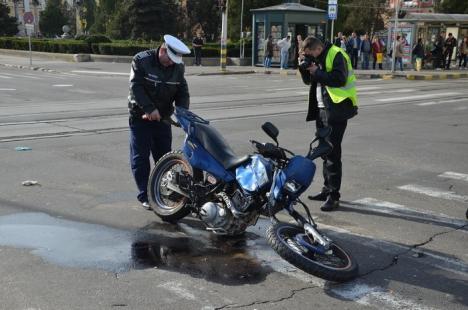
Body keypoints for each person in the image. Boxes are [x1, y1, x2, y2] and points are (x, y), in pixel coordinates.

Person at [128, 35, 191, 210]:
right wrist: (149, 109)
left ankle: (162, 191)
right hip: (140, 117)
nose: (172, 64)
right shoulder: (142, 60)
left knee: (164, 157)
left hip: (162, 119)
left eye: (175, 61)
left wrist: (183, 112)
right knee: (140, 157)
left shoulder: (178, 67)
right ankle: (145, 195)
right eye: (169, 59)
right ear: (163, 50)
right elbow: (136, 87)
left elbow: (182, 90)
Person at [298, 36, 358, 211]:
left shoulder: (336, 54)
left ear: (318, 49)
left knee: (332, 154)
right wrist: (304, 67)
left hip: (336, 111)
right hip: (322, 110)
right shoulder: (317, 58)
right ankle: (326, 189)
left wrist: (317, 71)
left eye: (310, 55)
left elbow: (340, 79)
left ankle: (334, 196)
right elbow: (309, 81)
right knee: (324, 152)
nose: (311, 58)